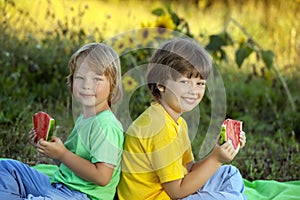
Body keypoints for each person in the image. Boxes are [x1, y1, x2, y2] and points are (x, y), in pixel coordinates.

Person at [117, 38, 247, 200]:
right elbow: (177, 191)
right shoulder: (159, 127)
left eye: (200, 83)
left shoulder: (178, 123)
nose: (194, 90)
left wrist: (217, 152)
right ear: (161, 84)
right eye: (185, 81)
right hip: (158, 197)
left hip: (174, 191)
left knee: (230, 173)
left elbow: (189, 169)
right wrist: (216, 160)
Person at [0, 43, 124, 200]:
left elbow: (102, 177)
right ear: (72, 81)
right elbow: (72, 167)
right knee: (8, 168)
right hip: (60, 185)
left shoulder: (106, 125)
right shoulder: (85, 118)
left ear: (112, 84)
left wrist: (63, 154)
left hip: (83, 196)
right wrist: (53, 151)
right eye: (80, 77)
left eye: (97, 79)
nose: (86, 85)